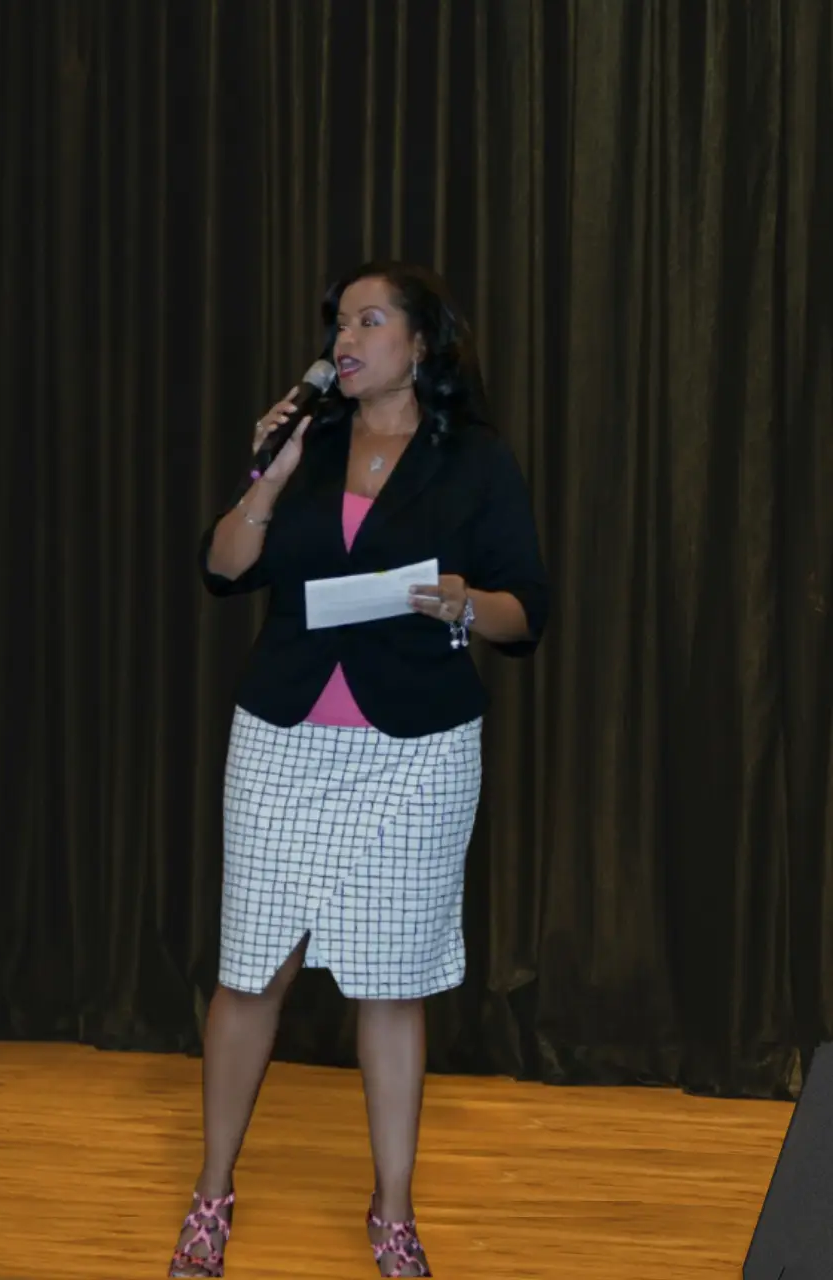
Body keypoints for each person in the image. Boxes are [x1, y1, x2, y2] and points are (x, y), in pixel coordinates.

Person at [169, 261, 550, 1278]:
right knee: (252, 969)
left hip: (415, 748)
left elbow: (526, 613)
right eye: (338, 320)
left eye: (368, 319)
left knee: (390, 983)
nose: (346, 335)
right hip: (285, 735)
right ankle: (211, 1193)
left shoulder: (472, 460)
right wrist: (272, 473)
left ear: (419, 345)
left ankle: (391, 1208)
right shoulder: (307, 439)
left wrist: (465, 599)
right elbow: (222, 565)